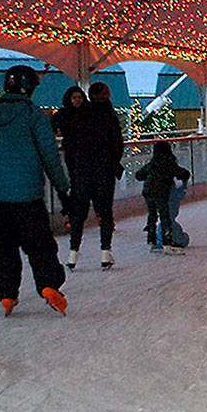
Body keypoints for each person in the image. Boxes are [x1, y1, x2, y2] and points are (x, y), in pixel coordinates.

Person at [0, 64, 72, 316]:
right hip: (28, 198)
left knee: (2, 250)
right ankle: (48, 285)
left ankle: (7, 294)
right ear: (29, 88)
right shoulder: (33, 116)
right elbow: (50, 158)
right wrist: (64, 192)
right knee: (40, 247)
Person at [54, 81, 124, 270]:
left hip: (82, 172)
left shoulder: (81, 115)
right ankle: (105, 252)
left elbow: (72, 141)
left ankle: (73, 253)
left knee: (79, 213)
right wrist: (111, 163)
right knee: (105, 211)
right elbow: (118, 144)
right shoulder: (109, 116)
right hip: (103, 172)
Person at [135, 141, 190, 255]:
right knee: (165, 217)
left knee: (152, 215)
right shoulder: (169, 163)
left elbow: (139, 175)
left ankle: (151, 240)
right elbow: (183, 173)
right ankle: (167, 243)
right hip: (162, 193)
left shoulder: (152, 164)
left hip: (148, 192)